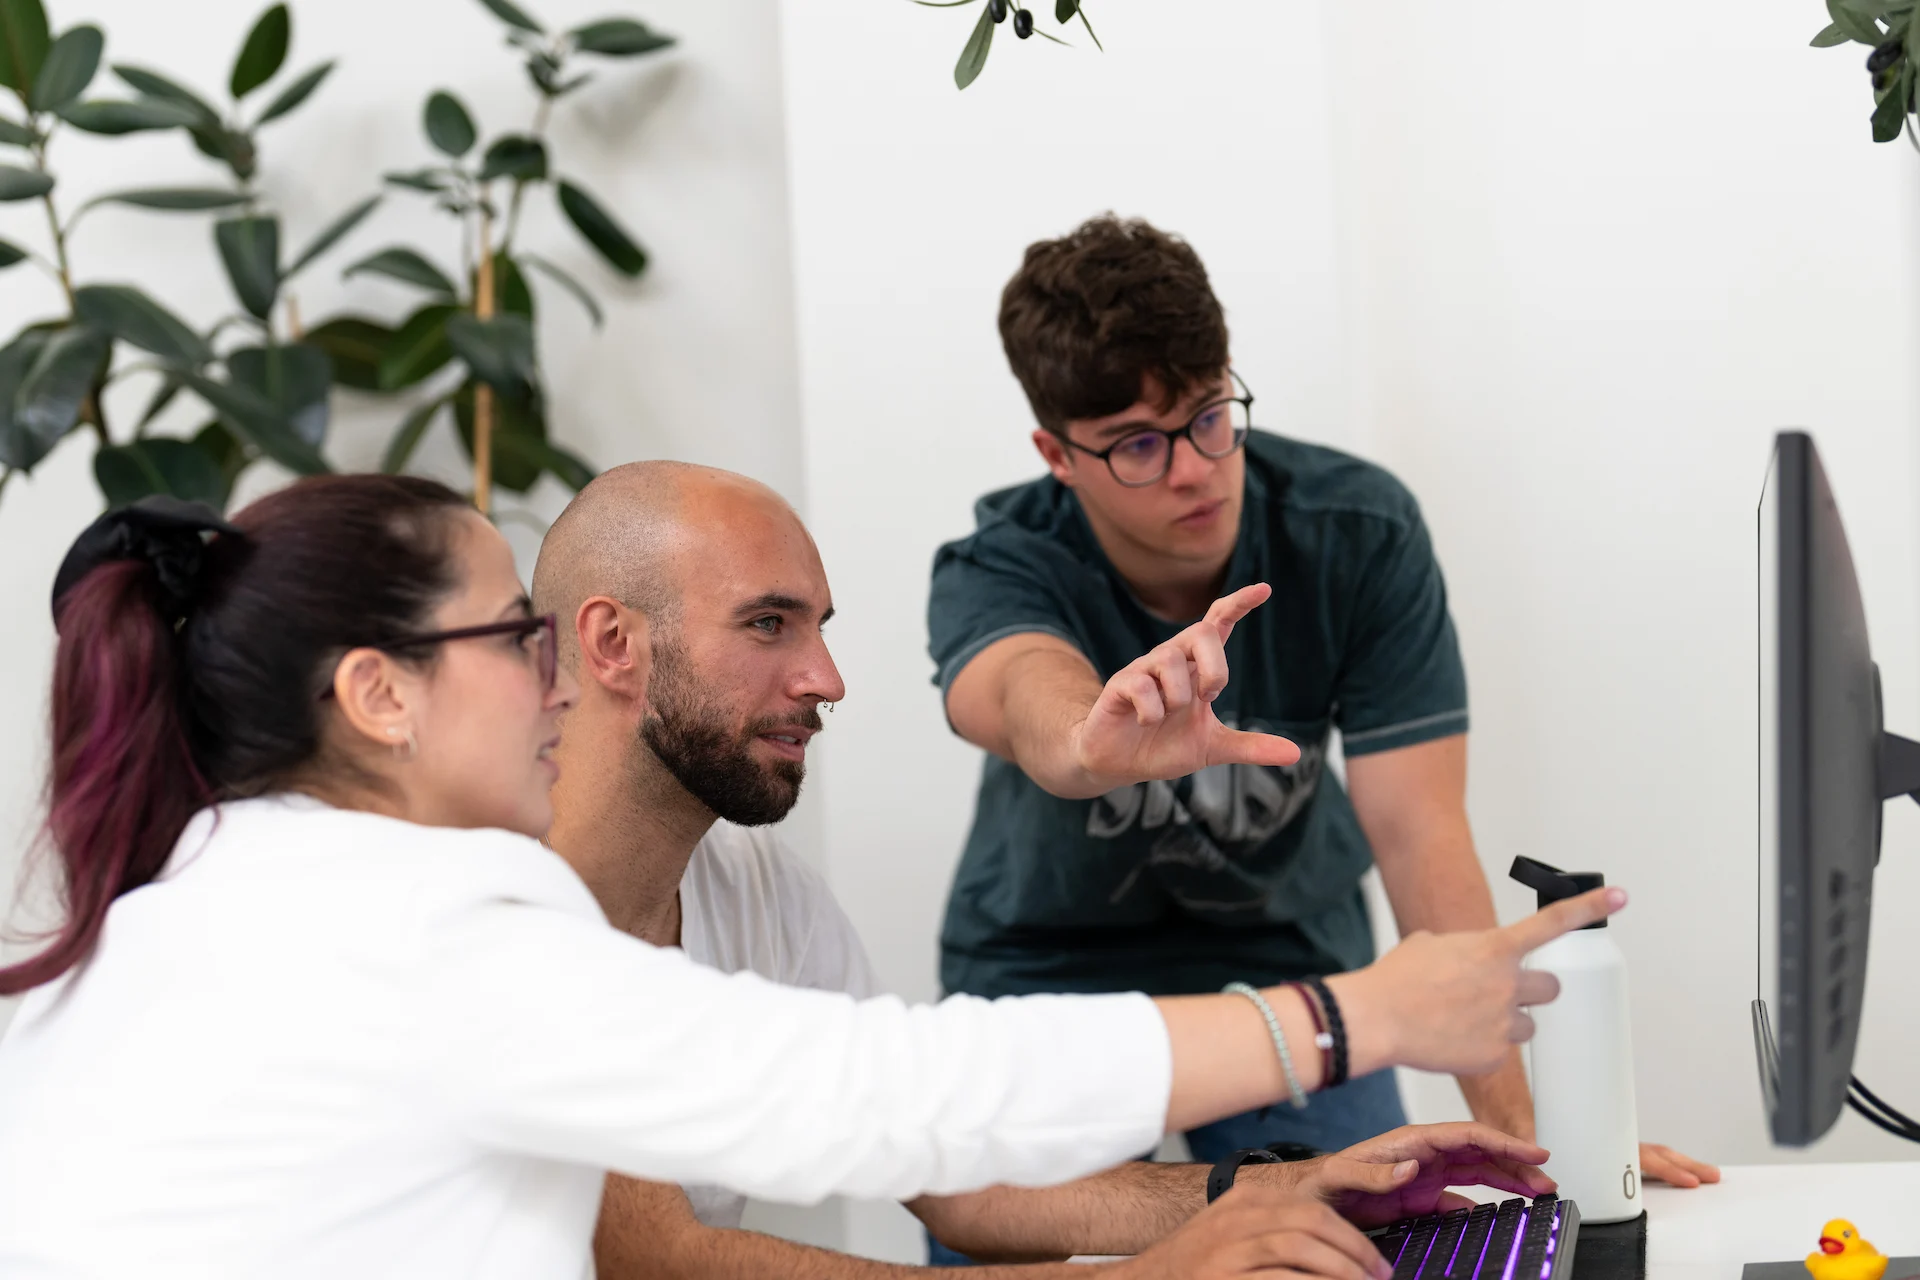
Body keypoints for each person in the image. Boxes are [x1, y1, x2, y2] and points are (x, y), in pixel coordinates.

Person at [0, 477, 1618, 1280]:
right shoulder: (417, 928)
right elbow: (859, 1105)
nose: (547, 676)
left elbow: (926, 1140)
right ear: (378, 694)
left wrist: (1262, 1193)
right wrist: (1339, 1018)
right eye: (511, 640)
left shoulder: (223, 900)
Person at [531, 461, 1564, 1278]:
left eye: (819, 626)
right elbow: (657, 1259)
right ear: (614, 642)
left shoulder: (757, 887)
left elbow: (949, 1173)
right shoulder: (511, 904)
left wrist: (1271, 1188)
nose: (828, 679)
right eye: (768, 623)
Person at [926, 215, 1718, 1204]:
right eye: (1136, 443)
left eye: (1210, 414)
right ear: (1057, 452)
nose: (1192, 467)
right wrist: (1096, 739)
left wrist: (1531, 1140)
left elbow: (1421, 833)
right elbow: (1019, 691)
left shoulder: (1358, 531)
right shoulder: (998, 560)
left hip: (1286, 956)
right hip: (1045, 964)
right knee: (1007, 1240)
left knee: (1360, 1228)